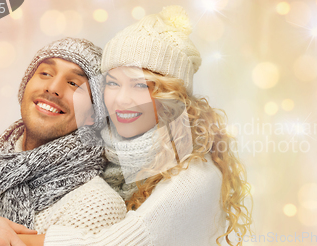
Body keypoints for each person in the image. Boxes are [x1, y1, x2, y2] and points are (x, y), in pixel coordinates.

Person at [21, 5, 252, 246]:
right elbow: (17, 152)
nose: (121, 100)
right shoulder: (101, 145)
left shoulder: (195, 176)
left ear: (172, 98)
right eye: (113, 83)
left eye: (140, 85)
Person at [0, 38, 126, 246]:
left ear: (94, 114)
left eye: (74, 84)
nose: (53, 87)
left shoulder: (98, 205)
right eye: (45, 73)